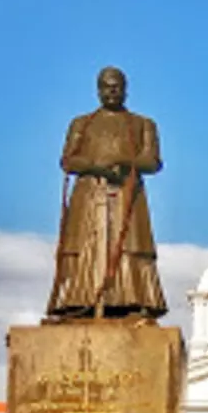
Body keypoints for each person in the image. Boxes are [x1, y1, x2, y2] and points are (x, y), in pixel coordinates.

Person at [45, 66, 168, 320]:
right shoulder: (81, 123)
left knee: (131, 247)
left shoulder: (143, 124)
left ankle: (135, 300)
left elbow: (153, 162)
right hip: (90, 193)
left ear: (125, 89)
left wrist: (124, 160)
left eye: (117, 86)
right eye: (106, 86)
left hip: (127, 193)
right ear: (98, 90)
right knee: (85, 245)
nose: (111, 91)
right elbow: (68, 160)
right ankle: (79, 301)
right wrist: (94, 166)